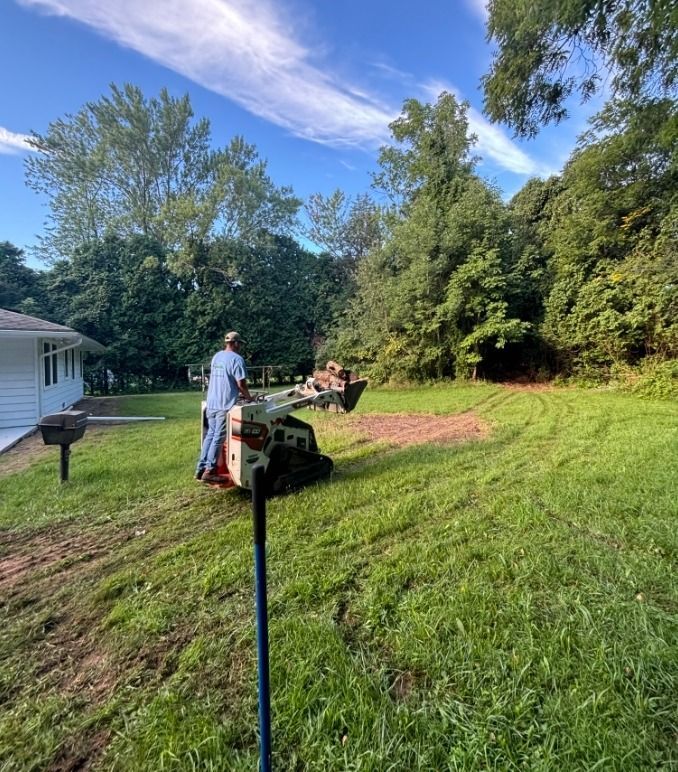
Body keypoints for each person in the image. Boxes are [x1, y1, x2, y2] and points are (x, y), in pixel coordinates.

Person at [196, 331, 253, 481]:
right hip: (223, 404)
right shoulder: (237, 359)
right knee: (218, 438)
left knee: (210, 435)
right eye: (239, 343)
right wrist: (249, 399)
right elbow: (241, 383)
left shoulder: (217, 356)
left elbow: (224, 380)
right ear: (235, 343)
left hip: (212, 403)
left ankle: (200, 468)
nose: (240, 346)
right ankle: (210, 471)